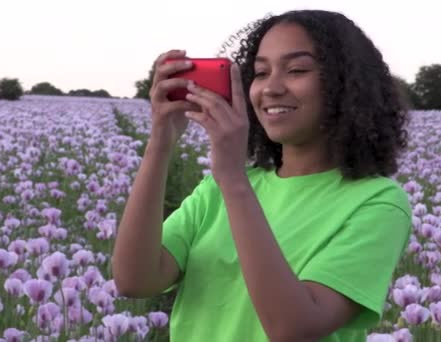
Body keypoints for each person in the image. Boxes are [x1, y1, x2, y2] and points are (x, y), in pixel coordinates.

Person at [113, 9, 412, 342]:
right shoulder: (216, 190)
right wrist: (161, 142)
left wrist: (233, 179)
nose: (270, 88)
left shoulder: (378, 203)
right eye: (260, 72)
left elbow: (293, 328)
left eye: (296, 70)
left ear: (347, 85)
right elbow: (134, 280)